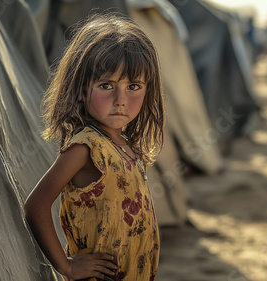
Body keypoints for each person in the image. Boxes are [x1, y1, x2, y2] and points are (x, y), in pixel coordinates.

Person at [24, 13, 164, 281]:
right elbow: (36, 205)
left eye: (133, 86)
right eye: (106, 85)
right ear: (81, 89)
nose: (120, 99)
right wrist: (66, 266)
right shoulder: (86, 147)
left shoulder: (127, 145)